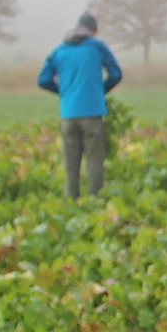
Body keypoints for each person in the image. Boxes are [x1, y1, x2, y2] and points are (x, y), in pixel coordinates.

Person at [37, 10, 123, 199]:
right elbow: (116, 74)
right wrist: (100, 91)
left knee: (71, 165)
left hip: (68, 115)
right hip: (92, 114)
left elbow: (43, 80)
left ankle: (72, 204)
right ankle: (95, 203)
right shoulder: (97, 47)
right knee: (94, 162)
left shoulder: (59, 50)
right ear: (93, 30)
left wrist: (65, 92)